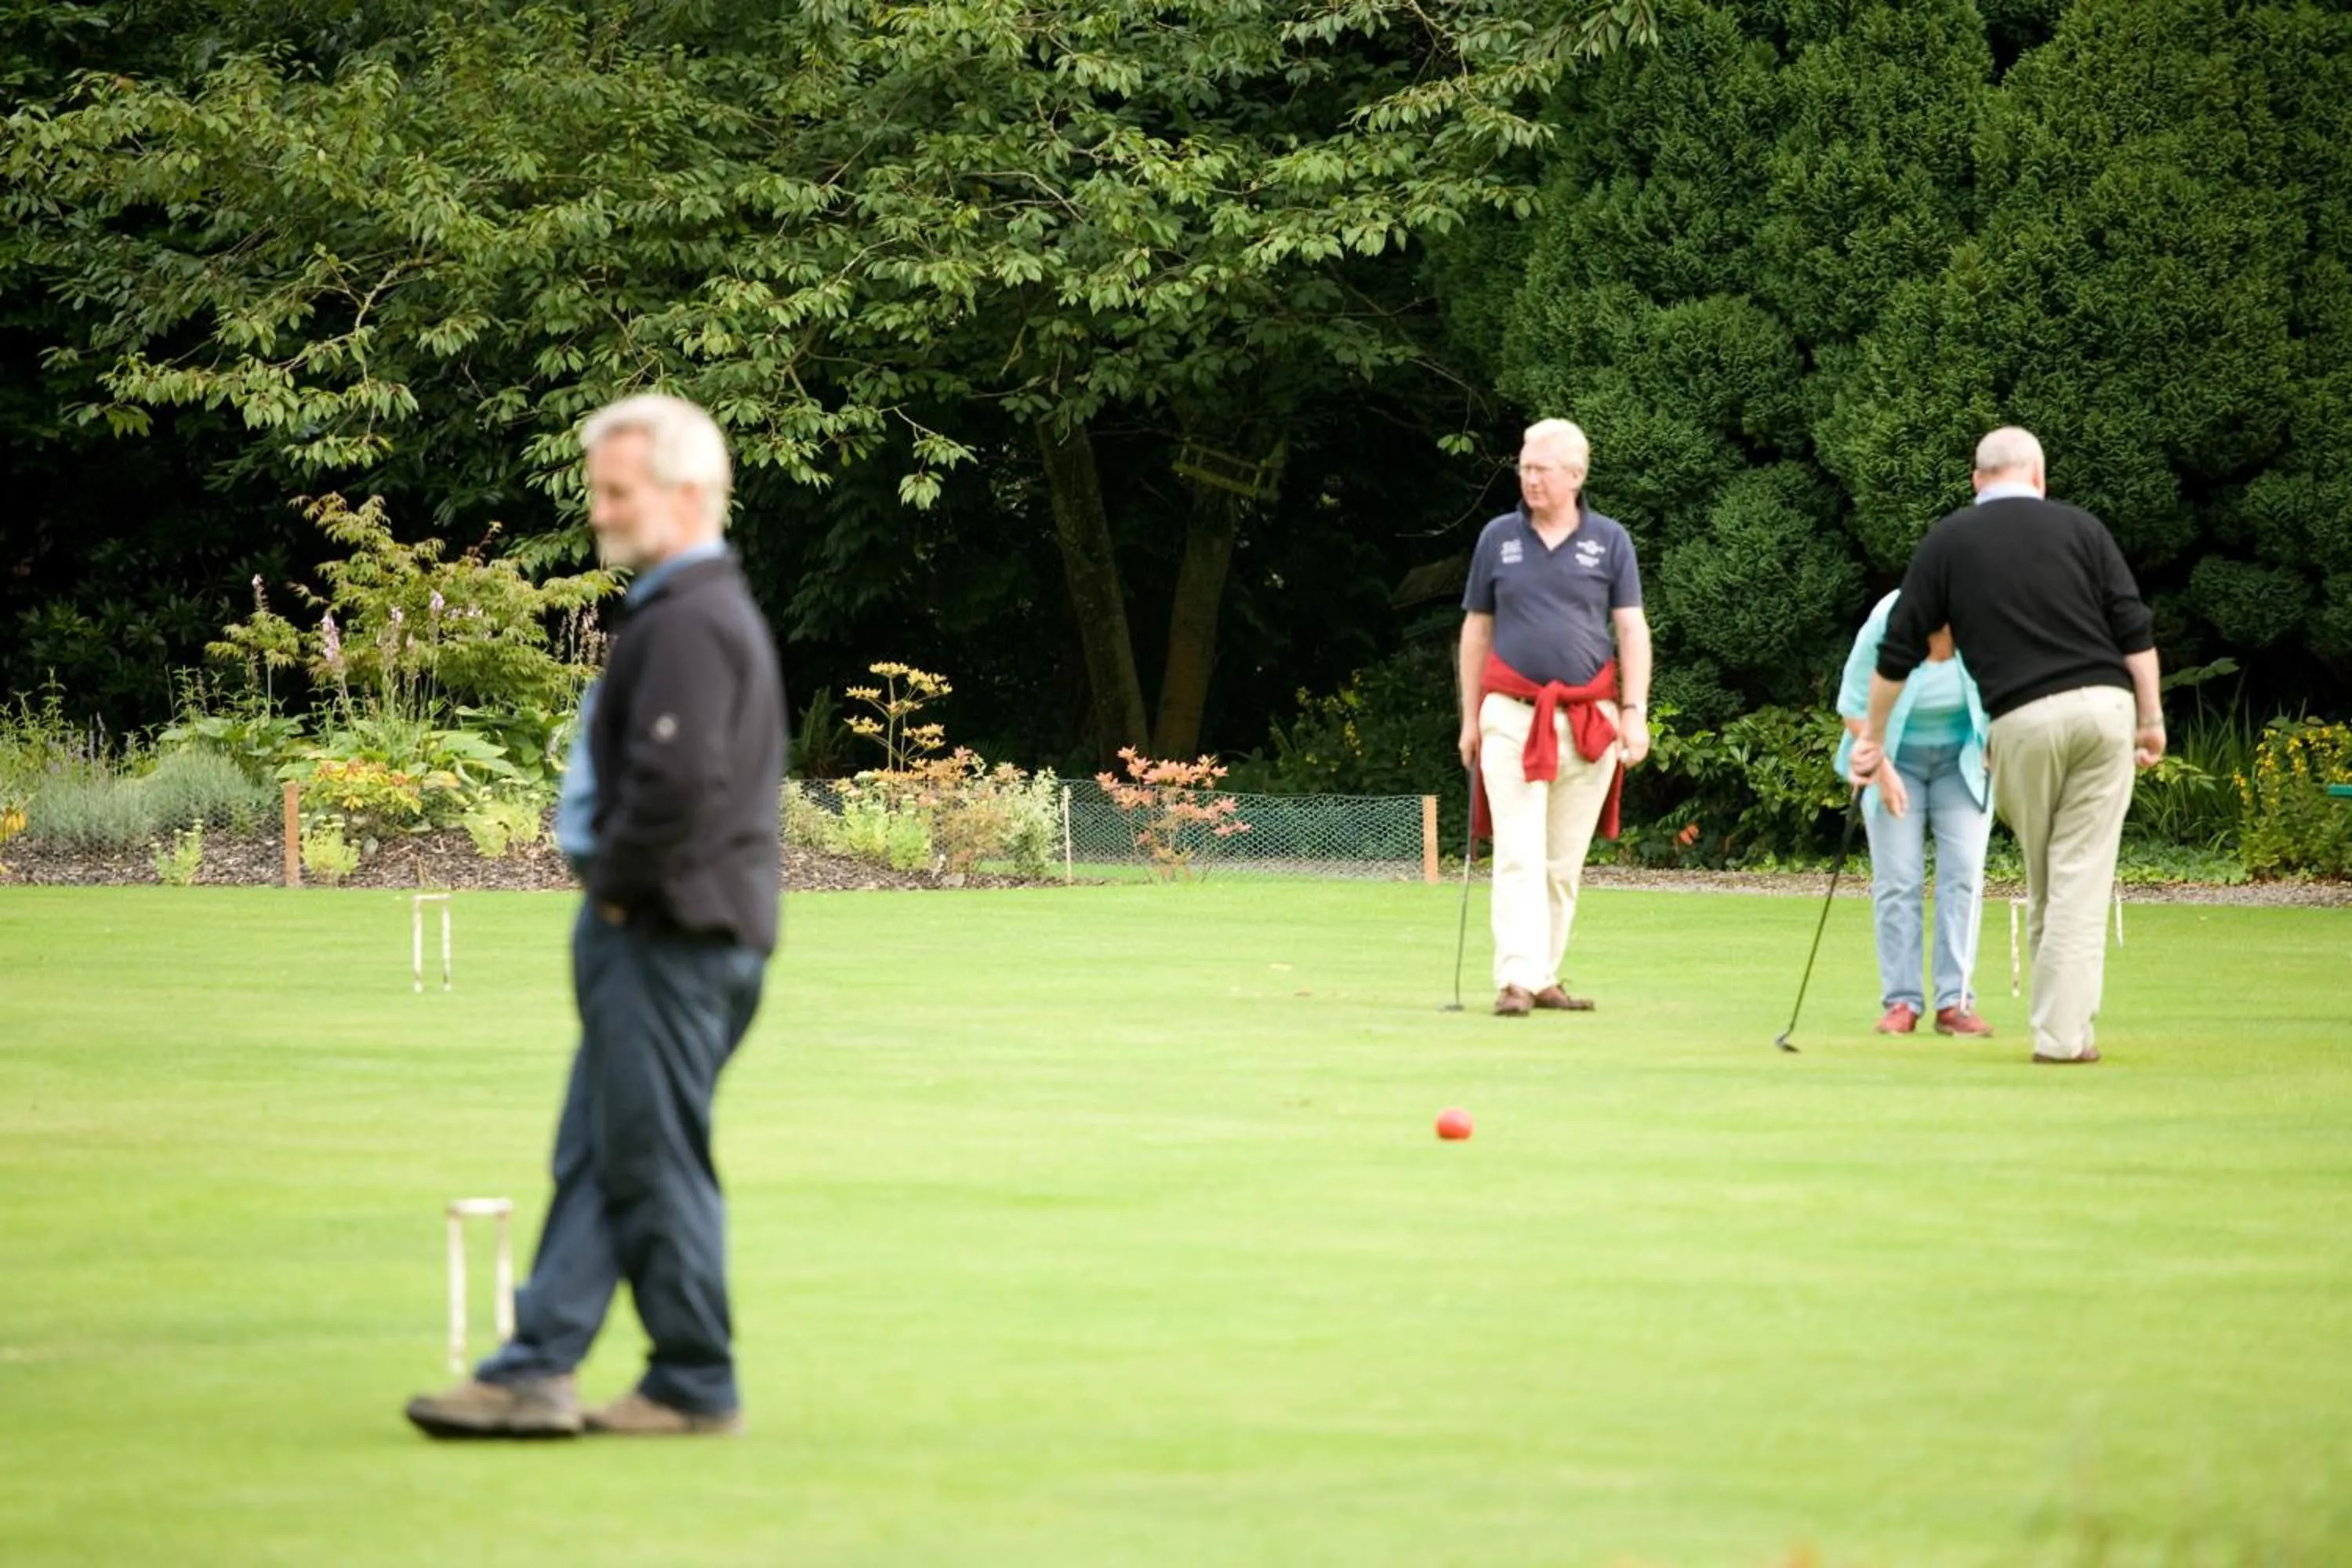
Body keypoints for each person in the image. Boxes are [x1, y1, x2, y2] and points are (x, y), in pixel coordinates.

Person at [405, 394, 787, 1437]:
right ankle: (539, 1366)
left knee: (647, 1156)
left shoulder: (693, 622)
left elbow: (673, 785)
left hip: (668, 933)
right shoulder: (688, 612)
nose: (601, 513)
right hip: (678, 930)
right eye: (600, 492)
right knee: (605, 1154)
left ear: (690, 493)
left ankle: (693, 1380)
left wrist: (616, 888)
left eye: (619, 493)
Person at [1848, 426, 2163, 1065]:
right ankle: (2063, 1033)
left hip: (2020, 722)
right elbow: (2133, 625)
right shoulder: (2082, 529)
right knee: (2075, 877)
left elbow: (1900, 649)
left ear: (1976, 479)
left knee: (2055, 877)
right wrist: (2151, 717)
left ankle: (2062, 1031)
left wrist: (1873, 737)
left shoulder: (1949, 540)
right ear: (2040, 478)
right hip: (2106, 709)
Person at [1457, 418, 1652, 1018]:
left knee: (1562, 862)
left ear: (1575, 474)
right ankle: (1515, 978)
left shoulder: (1610, 540)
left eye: (1541, 468)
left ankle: (1543, 976)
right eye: (1524, 466)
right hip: (1511, 717)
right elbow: (1476, 630)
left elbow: (1631, 629)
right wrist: (1470, 718)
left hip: (1590, 721)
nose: (1529, 477)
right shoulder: (1497, 537)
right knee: (1518, 851)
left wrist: (1634, 713)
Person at [1834, 594, 1994, 1037]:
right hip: (1892, 754)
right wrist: (1881, 769)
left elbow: (2009, 692)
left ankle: (1955, 1003)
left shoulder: (1986, 612)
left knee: (1963, 874)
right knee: (1898, 877)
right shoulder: (1890, 619)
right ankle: (1901, 1001)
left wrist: (1998, 745)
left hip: (1963, 758)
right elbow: (1853, 705)